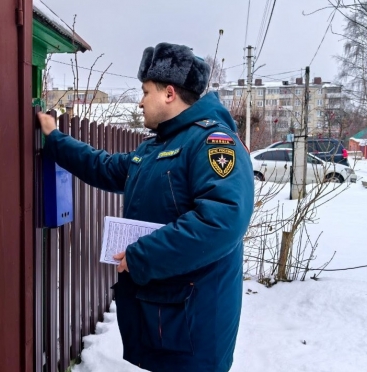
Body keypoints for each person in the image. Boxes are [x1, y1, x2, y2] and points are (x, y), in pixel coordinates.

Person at [37, 42, 254, 371]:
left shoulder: (212, 142)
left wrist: (143, 256)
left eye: (145, 91)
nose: (140, 102)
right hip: (168, 314)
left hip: (196, 322)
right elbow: (103, 166)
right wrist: (54, 138)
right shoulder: (156, 148)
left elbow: (221, 222)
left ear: (169, 93)